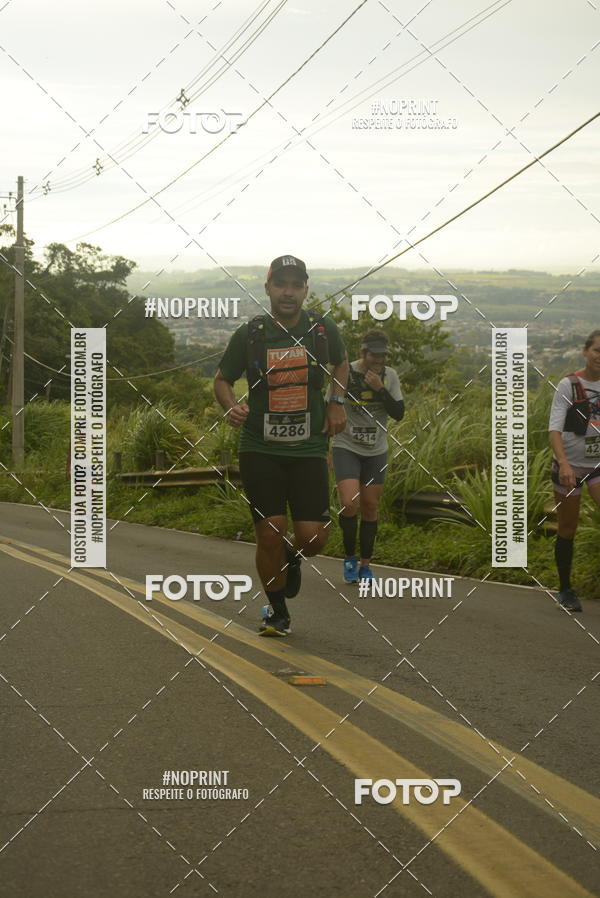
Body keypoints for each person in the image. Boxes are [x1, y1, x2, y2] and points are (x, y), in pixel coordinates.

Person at [214, 255, 348, 636]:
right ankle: (276, 611)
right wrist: (231, 407)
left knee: (314, 536)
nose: (288, 292)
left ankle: (291, 554)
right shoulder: (250, 334)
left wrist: (336, 402)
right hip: (259, 448)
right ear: (268, 288)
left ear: (305, 290)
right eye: (281, 284)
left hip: (308, 448)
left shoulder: (321, 330)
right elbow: (222, 379)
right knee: (269, 530)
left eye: (295, 285)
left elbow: (341, 365)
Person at [331, 328, 404, 583]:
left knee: (371, 507)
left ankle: (366, 565)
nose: (379, 360)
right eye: (374, 355)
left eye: (383, 356)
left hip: (376, 450)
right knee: (349, 503)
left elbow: (398, 413)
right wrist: (324, 448)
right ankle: (349, 558)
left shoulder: (390, 376)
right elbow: (330, 407)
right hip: (346, 446)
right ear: (363, 352)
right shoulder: (346, 372)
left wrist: (380, 389)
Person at [548, 329, 600, 612]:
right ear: (586, 351)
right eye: (597, 350)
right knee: (567, 527)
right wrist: (564, 463)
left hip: (597, 466)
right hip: (570, 466)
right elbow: (554, 429)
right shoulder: (569, 384)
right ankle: (565, 590)